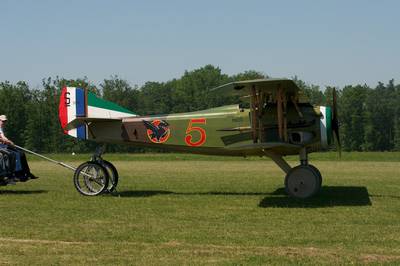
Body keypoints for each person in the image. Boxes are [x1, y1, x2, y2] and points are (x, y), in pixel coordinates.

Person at [0, 115, 38, 182]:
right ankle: (18, 173)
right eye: (2, 121)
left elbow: (3, 137)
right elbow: (2, 138)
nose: (4, 122)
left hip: (4, 145)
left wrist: (8, 141)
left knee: (21, 153)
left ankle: (27, 172)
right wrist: (8, 141)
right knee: (16, 154)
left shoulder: (1, 128)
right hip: (1, 146)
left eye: (5, 121)